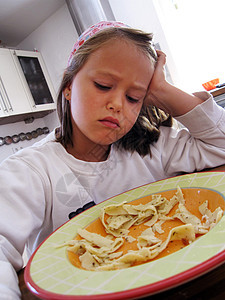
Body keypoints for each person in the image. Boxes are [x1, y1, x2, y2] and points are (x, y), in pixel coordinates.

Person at [0, 21, 225, 299]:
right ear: (69, 86)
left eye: (133, 97)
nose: (118, 104)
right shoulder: (31, 170)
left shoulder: (152, 146)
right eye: (103, 85)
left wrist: (161, 91)